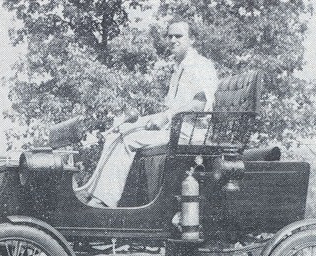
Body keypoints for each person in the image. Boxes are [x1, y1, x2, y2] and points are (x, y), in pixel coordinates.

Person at [76, 18, 218, 207]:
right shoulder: (179, 68)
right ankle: (91, 194)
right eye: (170, 36)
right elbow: (171, 110)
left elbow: (199, 105)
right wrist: (137, 122)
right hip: (175, 131)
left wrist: (166, 117)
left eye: (179, 36)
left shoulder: (200, 65)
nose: (173, 40)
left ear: (192, 40)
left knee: (128, 140)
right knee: (119, 134)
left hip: (190, 135)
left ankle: (104, 202)